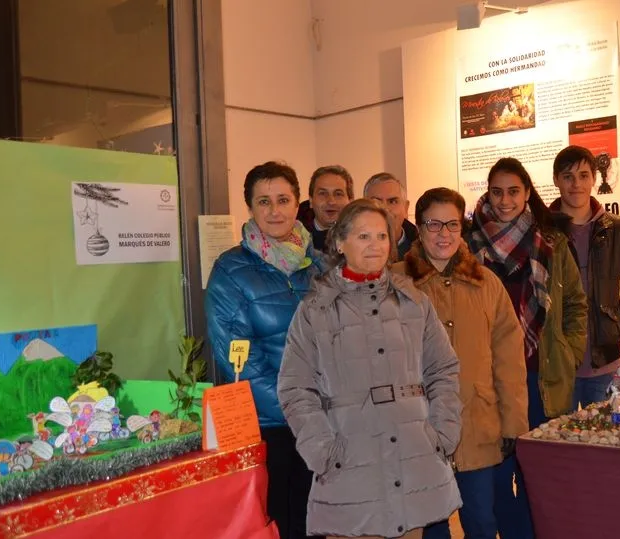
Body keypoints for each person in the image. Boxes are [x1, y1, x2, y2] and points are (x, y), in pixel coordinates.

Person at [278, 199, 462, 539]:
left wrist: (442, 433)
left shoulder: (414, 303)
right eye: (363, 236)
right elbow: (295, 388)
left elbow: (443, 370)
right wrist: (322, 451)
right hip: (349, 469)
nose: (375, 245)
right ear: (339, 243)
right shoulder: (315, 310)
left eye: (381, 236)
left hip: (413, 462)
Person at [392, 188, 528, 539]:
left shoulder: (486, 282)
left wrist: (514, 423)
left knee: (482, 521)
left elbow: (509, 360)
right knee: (432, 526)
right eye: (433, 225)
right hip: (418, 427)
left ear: (463, 228)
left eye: (452, 224)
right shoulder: (394, 282)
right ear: (418, 229)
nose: (444, 234)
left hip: (477, 423)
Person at [466, 157, 587, 539]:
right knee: (498, 477)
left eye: (513, 191)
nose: (504, 201)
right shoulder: (468, 246)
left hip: (540, 375)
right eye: (497, 192)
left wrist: (568, 352)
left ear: (527, 193)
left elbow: (576, 306)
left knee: (536, 476)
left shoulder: (550, 241)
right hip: (490, 381)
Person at [205, 161, 323, 539]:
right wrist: (295, 406)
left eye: (283, 200)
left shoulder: (316, 265)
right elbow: (238, 358)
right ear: (251, 209)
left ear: (297, 203)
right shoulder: (231, 270)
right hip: (268, 425)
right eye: (264, 202)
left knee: (317, 518)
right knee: (276, 520)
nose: (275, 211)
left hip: (320, 417)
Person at [549, 145, 620, 409]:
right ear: (556, 180)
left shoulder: (619, 230)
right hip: (557, 367)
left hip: (606, 364)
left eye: (583, 175)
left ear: (594, 179)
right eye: (568, 176)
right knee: (561, 448)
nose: (576, 184)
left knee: (615, 443)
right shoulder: (543, 233)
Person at [297, 165, 354, 251]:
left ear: (350, 201)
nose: (331, 201)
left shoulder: (362, 237)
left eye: (338, 194)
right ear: (311, 201)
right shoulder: (291, 238)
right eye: (322, 193)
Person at [364, 172, 419, 260]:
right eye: (377, 201)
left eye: (392, 201)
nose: (385, 209)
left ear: (406, 208)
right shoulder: (351, 251)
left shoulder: (425, 252)